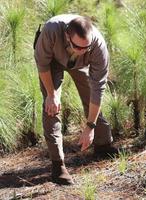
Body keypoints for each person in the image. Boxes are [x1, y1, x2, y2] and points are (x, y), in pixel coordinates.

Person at [34, 14, 118, 185]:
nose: (82, 51)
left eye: (85, 48)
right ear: (67, 36)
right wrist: (51, 95)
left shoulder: (97, 46)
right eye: (77, 47)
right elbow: (42, 64)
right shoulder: (51, 31)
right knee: (51, 107)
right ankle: (58, 166)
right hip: (52, 62)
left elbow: (98, 89)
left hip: (80, 65)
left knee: (90, 94)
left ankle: (103, 145)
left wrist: (90, 126)